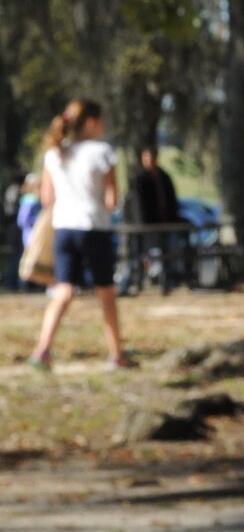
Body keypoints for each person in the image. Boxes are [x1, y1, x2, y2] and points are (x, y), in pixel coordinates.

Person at [29, 100, 134, 371]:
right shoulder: (102, 152)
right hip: (94, 229)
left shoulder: (55, 153)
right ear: (91, 122)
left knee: (63, 291)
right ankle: (116, 354)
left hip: (64, 228)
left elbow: (47, 197)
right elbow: (111, 200)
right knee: (106, 293)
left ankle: (42, 350)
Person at [128, 145, 185, 293]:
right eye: (146, 158)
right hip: (148, 226)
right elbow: (137, 204)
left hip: (166, 224)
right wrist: (142, 224)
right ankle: (142, 281)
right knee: (146, 254)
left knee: (169, 252)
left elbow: (172, 200)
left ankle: (169, 281)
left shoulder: (164, 177)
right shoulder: (140, 180)